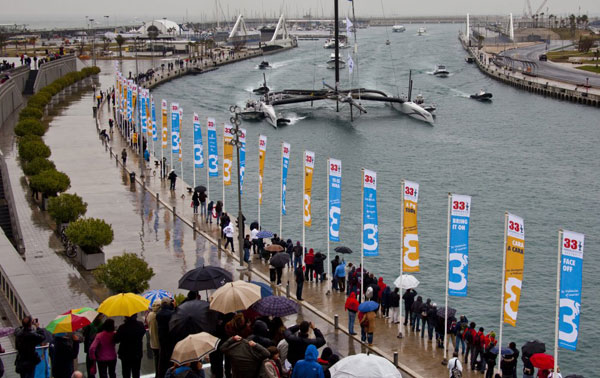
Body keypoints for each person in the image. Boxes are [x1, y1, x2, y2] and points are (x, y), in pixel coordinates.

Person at [157, 298, 176, 378]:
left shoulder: (158, 314)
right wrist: (174, 307)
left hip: (162, 339)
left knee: (163, 359)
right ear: (169, 304)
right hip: (171, 339)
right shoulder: (172, 313)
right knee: (171, 359)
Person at [146, 302, 161, 376]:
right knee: (160, 359)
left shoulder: (149, 315)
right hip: (159, 342)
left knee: (156, 358)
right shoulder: (159, 315)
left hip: (152, 342)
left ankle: (156, 374)